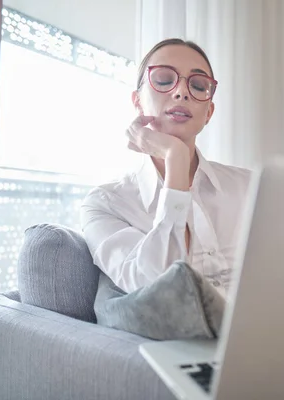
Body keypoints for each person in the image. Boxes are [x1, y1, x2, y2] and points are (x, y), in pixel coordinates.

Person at [80, 39, 252, 299]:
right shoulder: (106, 204)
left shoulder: (251, 187)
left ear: (209, 112)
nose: (182, 92)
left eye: (197, 85)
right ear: (137, 101)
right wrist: (175, 158)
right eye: (163, 80)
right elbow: (154, 287)